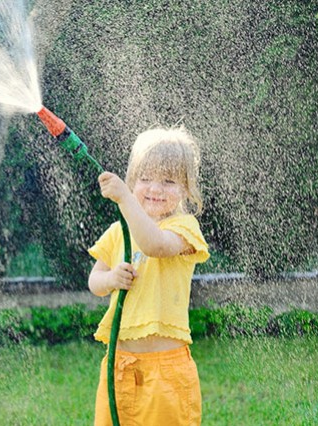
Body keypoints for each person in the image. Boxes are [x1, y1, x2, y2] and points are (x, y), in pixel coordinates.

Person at [88, 126, 209, 426]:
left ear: (186, 188)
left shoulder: (184, 228)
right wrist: (112, 278)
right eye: (145, 179)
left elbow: (154, 245)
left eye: (168, 181)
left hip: (164, 373)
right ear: (132, 180)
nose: (155, 189)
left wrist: (126, 200)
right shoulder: (118, 231)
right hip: (118, 367)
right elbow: (95, 282)